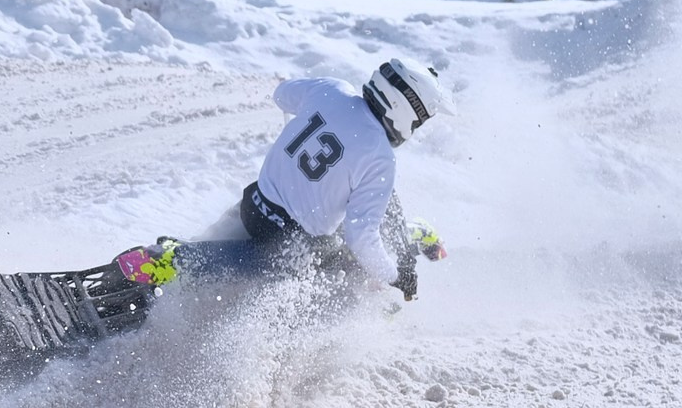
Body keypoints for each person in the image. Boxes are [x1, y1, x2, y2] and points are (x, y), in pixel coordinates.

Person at [127, 58, 453, 301]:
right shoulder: (381, 157)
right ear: (406, 109)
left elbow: (282, 94)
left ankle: (188, 249)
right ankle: (177, 259)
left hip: (255, 202)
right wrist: (395, 277)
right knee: (304, 265)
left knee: (267, 232)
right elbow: (361, 237)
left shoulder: (334, 90)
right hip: (288, 238)